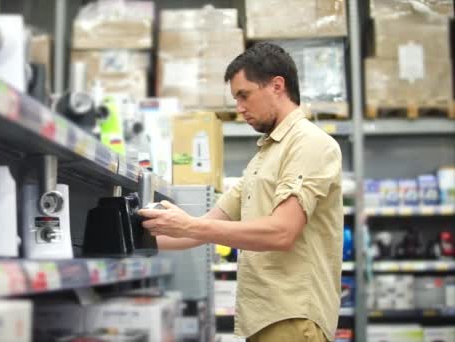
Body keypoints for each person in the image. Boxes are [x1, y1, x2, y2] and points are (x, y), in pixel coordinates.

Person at [138, 42, 343, 342]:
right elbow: (201, 227)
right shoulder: (265, 156)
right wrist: (131, 238)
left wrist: (190, 224)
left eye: (244, 95)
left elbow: (282, 232)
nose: (239, 108)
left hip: (293, 318)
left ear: (277, 86)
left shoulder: (309, 143)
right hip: (264, 319)